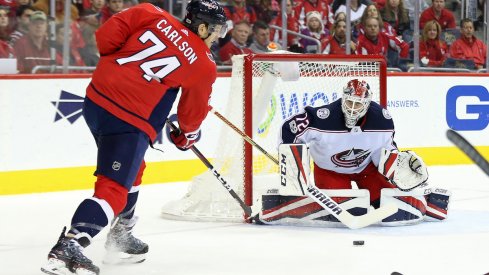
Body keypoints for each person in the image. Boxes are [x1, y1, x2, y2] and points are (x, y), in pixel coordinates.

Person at [40, 1, 227, 274]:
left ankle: (121, 232)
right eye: (216, 29)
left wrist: (121, 72)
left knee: (134, 167)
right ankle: (72, 244)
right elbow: (191, 114)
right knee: (113, 188)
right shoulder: (204, 63)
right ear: (202, 26)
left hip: (96, 102)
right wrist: (187, 137)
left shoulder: (149, 12)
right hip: (128, 122)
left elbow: (105, 39)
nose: (218, 36)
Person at [278, 79, 429, 209]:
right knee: (343, 210)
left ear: (367, 103)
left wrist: (399, 165)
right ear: (343, 98)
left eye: (358, 104)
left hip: (367, 171)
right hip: (330, 172)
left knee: (391, 204)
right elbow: (290, 128)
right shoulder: (323, 117)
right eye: (349, 102)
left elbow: (385, 151)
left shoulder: (381, 120)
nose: (352, 108)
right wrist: (291, 161)